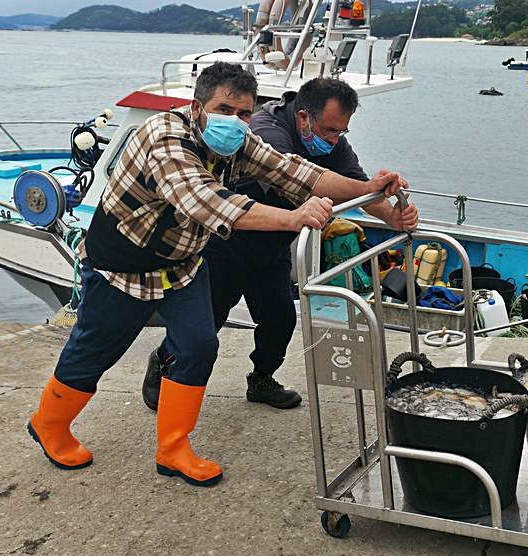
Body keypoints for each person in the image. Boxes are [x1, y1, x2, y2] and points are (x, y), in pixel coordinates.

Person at [27, 63, 406, 488]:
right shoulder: (164, 138)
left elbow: (297, 172)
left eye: (245, 113)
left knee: (199, 345)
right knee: (95, 350)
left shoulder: (239, 141)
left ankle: (173, 448)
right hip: (123, 267)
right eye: (225, 109)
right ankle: (49, 425)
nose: (237, 122)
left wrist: (369, 188)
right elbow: (206, 200)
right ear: (197, 106)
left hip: (182, 266)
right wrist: (294, 217)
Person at [141, 77, 418, 412]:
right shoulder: (266, 132)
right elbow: (301, 180)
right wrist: (356, 191)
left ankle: (262, 378)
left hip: (271, 248)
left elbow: (356, 185)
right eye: (330, 130)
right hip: (224, 244)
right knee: (204, 327)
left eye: (341, 132)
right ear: (304, 117)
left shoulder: (330, 142)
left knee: (280, 319)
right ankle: (164, 364)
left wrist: (391, 217)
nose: (334, 140)